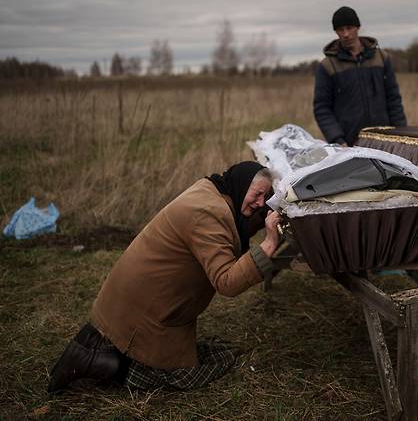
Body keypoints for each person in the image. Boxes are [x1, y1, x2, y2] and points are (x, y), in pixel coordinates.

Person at [47, 161, 282, 392]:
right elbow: (227, 282)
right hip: (144, 315)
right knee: (197, 371)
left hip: (131, 303)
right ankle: (110, 365)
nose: (260, 202)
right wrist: (269, 244)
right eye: (258, 193)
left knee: (217, 351)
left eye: (266, 198)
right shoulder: (211, 214)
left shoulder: (210, 190)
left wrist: (262, 216)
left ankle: (102, 349)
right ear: (242, 184)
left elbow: (233, 231)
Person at [313, 6, 407, 146]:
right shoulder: (327, 66)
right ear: (336, 32)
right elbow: (322, 108)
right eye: (340, 30)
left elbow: (393, 98)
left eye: (349, 28)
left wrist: (402, 134)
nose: (345, 34)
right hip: (349, 144)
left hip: (386, 140)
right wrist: (337, 140)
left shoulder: (381, 58)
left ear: (358, 27)